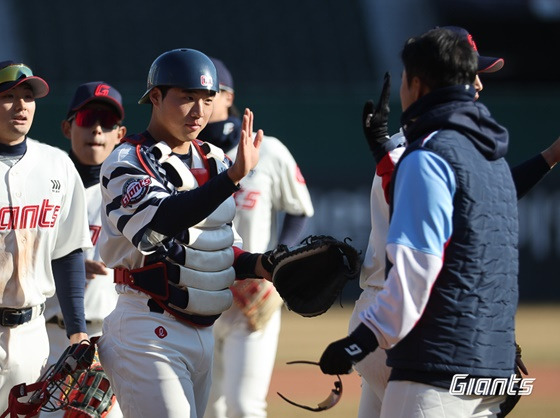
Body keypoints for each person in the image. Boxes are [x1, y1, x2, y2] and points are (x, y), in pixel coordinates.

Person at [348, 26, 560, 418]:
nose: (479, 84)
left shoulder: (444, 148)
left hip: (405, 320)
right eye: (471, 74)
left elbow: (475, 203)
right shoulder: (426, 149)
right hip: (409, 321)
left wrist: (550, 154)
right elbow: (453, 225)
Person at [96, 48, 272, 418]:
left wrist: (267, 265)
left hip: (203, 330)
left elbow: (219, 252)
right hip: (146, 326)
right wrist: (231, 180)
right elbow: (159, 224)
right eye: (187, 97)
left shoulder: (215, 159)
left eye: (208, 99)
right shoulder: (127, 160)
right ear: (155, 97)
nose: (199, 111)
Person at [0, 60, 91, 418]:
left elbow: (67, 253)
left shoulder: (57, 164)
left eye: (28, 96)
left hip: (34, 336)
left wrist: (78, 330)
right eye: (7, 96)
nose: (21, 106)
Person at [199, 58, 314, 418]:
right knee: (205, 408)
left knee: (244, 405)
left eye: (208, 94)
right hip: (199, 294)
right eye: (191, 94)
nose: (199, 103)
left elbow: (300, 210)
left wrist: (277, 264)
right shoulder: (181, 155)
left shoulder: (268, 150)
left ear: (228, 97)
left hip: (252, 296)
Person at [41, 81, 126, 417]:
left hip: (107, 342)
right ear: (67, 127)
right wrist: (59, 262)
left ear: (120, 134)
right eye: (88, 118)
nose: (97, 129)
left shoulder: (129, 196)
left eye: (107, 123)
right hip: (46, 336)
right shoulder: (42, 189)